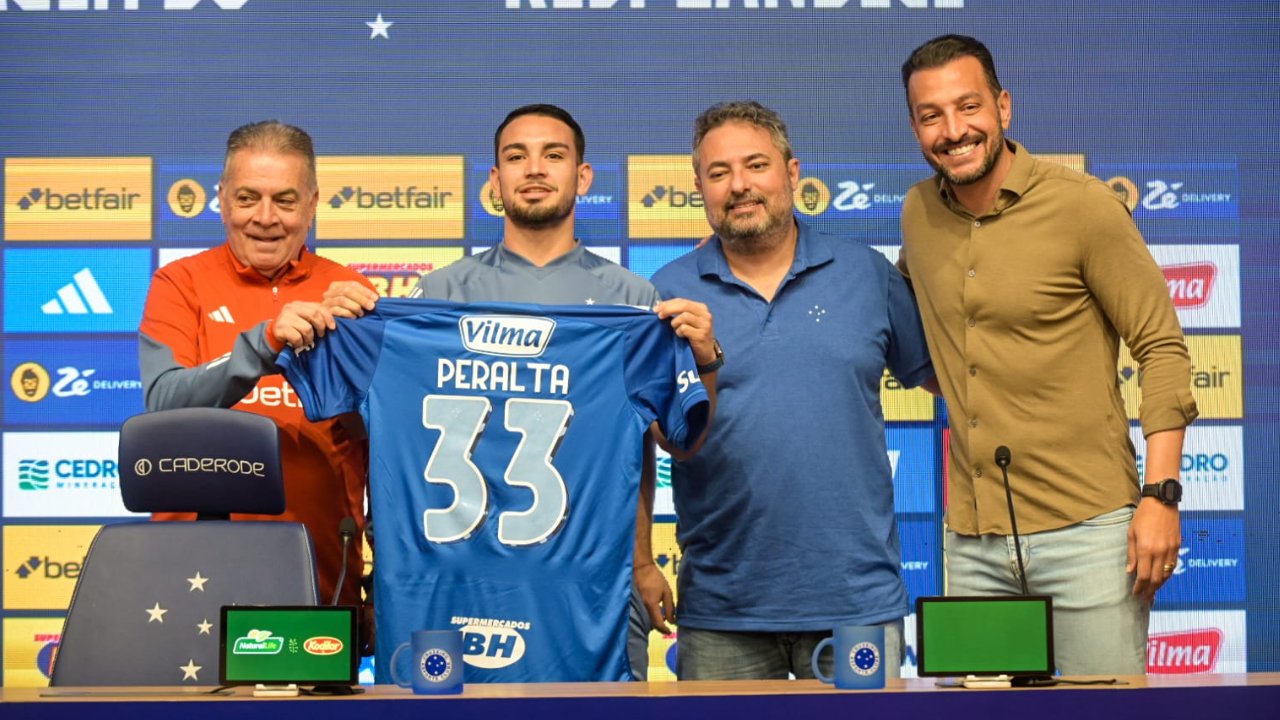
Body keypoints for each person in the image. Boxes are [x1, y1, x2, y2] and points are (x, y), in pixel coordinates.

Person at [324, 104, 719, 680]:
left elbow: (661, 444)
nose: (534, 168)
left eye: (553, 155)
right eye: (516, 156)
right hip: (450, 585)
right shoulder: (434, 296)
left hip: (580, 590)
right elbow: (380, 435)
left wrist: (641, 562)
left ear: (583, 176)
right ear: (495, 179)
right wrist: (339, 329)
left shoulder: (633, 302)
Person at [898, 34, 1199, 674]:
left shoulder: (1083, 206)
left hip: (1090, 534)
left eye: (968, 106)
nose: (953, 131)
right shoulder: (918, 213)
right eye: (931, 116)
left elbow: (1162, 348)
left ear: (1003, 107)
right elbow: (916, 330)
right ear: (916, 128)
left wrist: (1161, 495)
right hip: (972, 543)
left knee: (1104, 712)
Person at [649, 100, 935, 680]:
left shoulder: (867, 274)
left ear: (792, 172)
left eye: (756, 165)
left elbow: (950, 382)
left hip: (855, 604)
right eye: (719, 172)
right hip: (722, 609)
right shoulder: (667, 291)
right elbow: (660, 439)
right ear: (699, 189)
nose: (739, 185)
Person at [138, 120, 375, 619]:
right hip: (191, 581)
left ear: (312, 204)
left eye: (285, 201)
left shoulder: (350, 293)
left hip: (322, 577)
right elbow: (163, 405)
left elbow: (382, 445)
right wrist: (265, 343)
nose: (265, 218)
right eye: (248, 198)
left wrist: (383, 582)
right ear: (222, 200)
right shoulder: (179, 283)